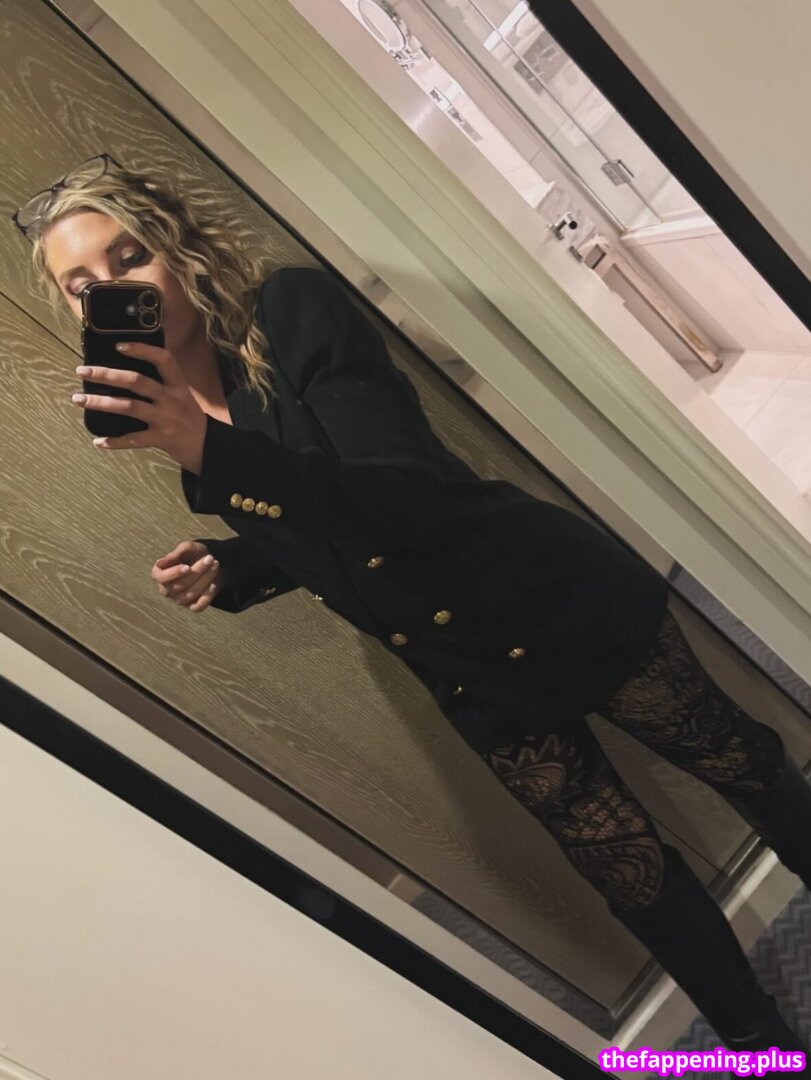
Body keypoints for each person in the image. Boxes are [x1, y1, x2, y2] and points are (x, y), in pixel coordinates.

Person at [13, 154, 811, 1064]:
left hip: (550, 598)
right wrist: (232, 566)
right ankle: (755, 1046)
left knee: (737, 761)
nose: (116, 288)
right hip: (466, 672)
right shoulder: (169, 410)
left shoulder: (291, 311)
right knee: (619, 862)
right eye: (83, 284)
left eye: (129, 257)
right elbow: (321, 532)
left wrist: (208, 451)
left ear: (176, 246)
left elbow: (403, 496)